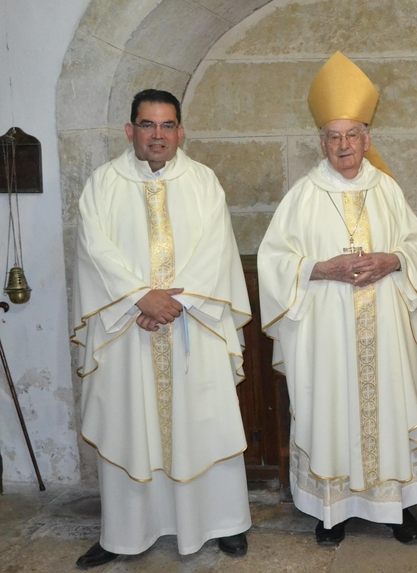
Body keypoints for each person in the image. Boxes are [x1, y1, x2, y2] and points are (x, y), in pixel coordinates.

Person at [257, 52, 417, 546]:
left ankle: (395, 509)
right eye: (333, 137)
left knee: (389, 409)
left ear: (367, 139)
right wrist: (320, 269)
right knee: (329, 410)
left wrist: (393, 261)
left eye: (351, 135)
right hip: (326, 334)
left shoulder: (388, 191)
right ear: (322, 142)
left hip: (385, 331)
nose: (343, 146)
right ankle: (330, 510)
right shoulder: (303, 195)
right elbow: (273, 262)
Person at [72, 89, 252, 568]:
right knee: (131, 424)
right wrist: (139, 299)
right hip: (128, 329)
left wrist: (174, 304)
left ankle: (224, 523)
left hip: (193, 322)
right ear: (130, 130)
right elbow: (95, 248)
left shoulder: (203, 182)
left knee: (204, 421)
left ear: (180, 131)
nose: (158, 135)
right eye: (148, 125)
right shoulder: (103, 183)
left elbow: (215, 249)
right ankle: (125, 534)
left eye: (167, 125)